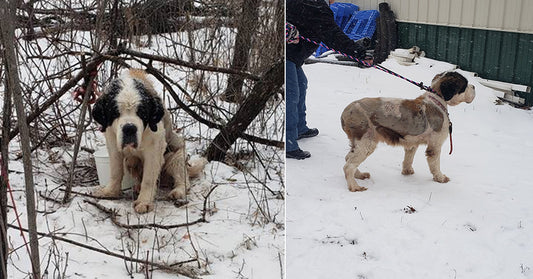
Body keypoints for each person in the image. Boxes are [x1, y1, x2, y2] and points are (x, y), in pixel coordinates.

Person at [286, 0, 371, 160]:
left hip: (294, 55)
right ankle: (288, 144)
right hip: (288, 54)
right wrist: (358, 53)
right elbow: (333, 36)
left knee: (301, 85)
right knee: (292, 93)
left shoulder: (312, 6)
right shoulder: (317, 8)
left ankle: (299, 128)